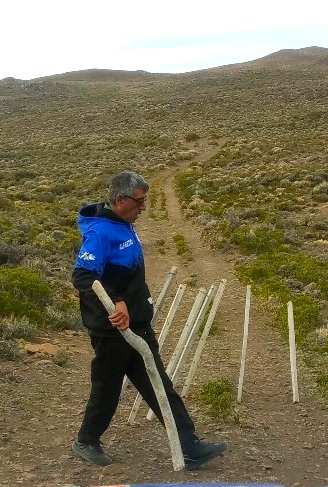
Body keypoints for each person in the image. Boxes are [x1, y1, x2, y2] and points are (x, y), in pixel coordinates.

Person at [71, 171, 227, 470]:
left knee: (159, 385)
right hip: (112, 329)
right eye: (140, 201)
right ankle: (86, 440)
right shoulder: (100, 232)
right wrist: (117, 301)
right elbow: (83, 275)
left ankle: (188, 445)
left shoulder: (124, 224)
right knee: (107, 388)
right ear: (120, 199)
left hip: (137, 324)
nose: (144, 207)